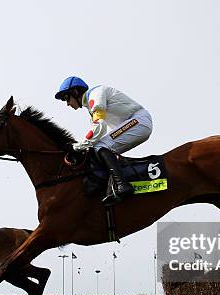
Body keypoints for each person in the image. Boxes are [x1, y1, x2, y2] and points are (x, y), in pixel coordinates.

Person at [55, 76, 153, 205]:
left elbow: (99, 127)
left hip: (139, 121)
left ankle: (122, 184)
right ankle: (111, 185)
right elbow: (97, 133)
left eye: (66, 98)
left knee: (101, 146)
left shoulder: (95, 95)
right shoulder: (91, 106)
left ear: (75, 92)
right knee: (97, 147)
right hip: (134, 123)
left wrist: (77, 147)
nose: (67, 104)